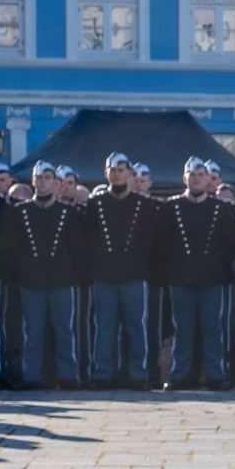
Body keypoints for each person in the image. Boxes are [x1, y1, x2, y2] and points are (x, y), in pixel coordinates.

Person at [0, 161, 84, 389]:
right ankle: (32, 375)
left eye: (48, 178)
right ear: (33, 181)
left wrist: (73, 276)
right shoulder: (21, 212)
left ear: (56, 183)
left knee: (64, 330)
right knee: (33, 331)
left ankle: (68, 375)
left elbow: (77, 249)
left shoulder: (69, 213)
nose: (43, 182)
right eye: (40, 178)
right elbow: (12, 248)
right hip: (31, 279)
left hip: (61, 280)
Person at [160, 157, 235, 390]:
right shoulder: (171, 207)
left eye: (200, 175)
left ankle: (216, 375)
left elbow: (230, 243)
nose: (196, 179)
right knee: (182, 329)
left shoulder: (221, 209)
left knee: (212, 328)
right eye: (191, 175)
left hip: (212, 277)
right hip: (181, 277)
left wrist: (215, 263)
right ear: (185, 179)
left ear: (208, 179)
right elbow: (163, 243)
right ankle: (180, 375)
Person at [85, 154, 160, 389]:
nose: (117, 174)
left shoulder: (144, 205)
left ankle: (138, 374)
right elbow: (88, 240)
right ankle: (103, 374)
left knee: (136, 326)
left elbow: (151, 242)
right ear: (106, 174)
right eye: (112, 170)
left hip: (134, 274)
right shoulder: (95, 204)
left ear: (130, 174)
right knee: (105, 327)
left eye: (121, 170)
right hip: (104, 274)